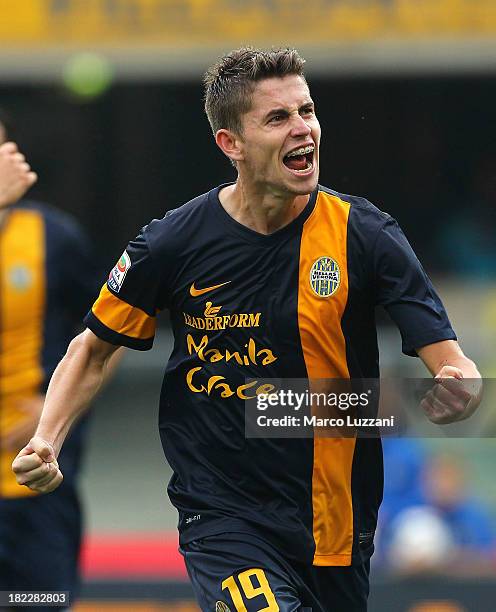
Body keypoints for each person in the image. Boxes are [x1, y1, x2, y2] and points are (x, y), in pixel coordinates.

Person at [12, 48, 482, 611]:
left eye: (306, 111)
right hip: (222, 513)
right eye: (278, 118)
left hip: (335, 522)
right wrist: (47, 438)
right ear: (230, 144)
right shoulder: (171, 243)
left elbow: (452, 363)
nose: (303, 128)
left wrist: (462, 388)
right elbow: (92, 350)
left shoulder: (367, 235)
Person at [0, 117, 101, 611]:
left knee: (36, 604)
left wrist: (52, 410)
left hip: (36, 487)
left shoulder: (56, 239)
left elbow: (108, 338)